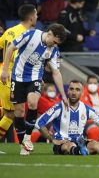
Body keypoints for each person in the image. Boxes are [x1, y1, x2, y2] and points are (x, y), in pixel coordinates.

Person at [0, 23, 68, 155]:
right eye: (53, 41)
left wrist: (63, 95)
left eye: (56, 44)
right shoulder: (30, 34)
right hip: (17, 77)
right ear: (49, 33)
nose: (53, 45)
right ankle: (23, 145)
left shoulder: (53, 50)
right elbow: (10, 48)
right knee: (18, 112)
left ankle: (27, 137)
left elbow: (56, 72)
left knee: (32, 102)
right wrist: (4, 71)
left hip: (35, 78)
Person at [35, 80, 99, 156]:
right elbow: (39, 123)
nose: (74, 92)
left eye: (77, 90)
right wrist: (52, 139)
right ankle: (81, 150)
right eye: (71, 89)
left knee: (95, 144)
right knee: (68, 145)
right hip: (62, 143)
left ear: (82, 92)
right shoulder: (59, 107)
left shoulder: (86, 109)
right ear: (67, 91)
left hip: (80, 141)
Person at [0, 4, 37, 142]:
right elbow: (18, 59)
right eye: (36, 15)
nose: (37, 17)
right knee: (10, 114)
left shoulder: (9, 31)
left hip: (4, 72)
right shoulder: (25, 34)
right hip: (10, 75)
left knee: (9, 113)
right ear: (32, 18)